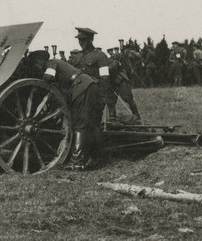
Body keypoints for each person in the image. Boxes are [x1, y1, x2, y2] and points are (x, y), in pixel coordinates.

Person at [25, 49, 101, 171]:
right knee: (85, 122)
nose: (35, 65)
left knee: (80, 123)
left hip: (82, 86)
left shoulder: (51, 63)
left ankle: (77, 162)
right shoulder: (53, 63)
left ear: (40, 59)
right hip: (84, 85)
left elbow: (48, 78)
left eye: (35, 62)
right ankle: (90, 157)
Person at [68, 27, 111, 170]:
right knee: (80, 123)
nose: (81, 43)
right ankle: (82, 157)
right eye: (80, 40)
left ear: (91, 40)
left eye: (84, 40)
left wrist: (102, 97)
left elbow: (105, 78)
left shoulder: (100, 56)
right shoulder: (77, 57)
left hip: (94, 95)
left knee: (93, 126)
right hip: (79, 96)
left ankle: (95, 158)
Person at [105, 53, 142, 124]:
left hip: (121, 80)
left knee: (127, 98)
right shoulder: (100, 65)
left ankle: (137, 116)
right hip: (112, 83)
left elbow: (113, 68)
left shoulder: (112, 62)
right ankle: (112, 118)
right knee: (110, 101)